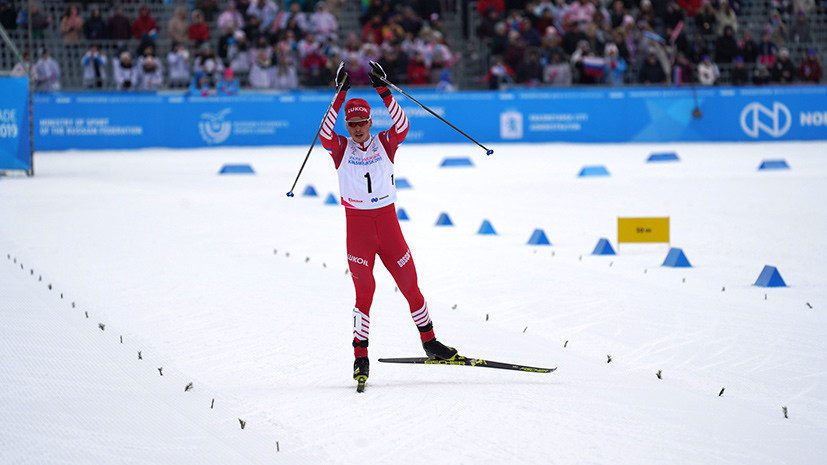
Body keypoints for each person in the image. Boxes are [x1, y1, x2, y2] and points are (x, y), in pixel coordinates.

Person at [319, 62, 458, 386]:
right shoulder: (340, 148)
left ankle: (430, 343)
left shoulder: (385, 140)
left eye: (361, 123)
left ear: (370, 121)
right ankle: (360, 358)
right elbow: (325, 134)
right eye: (351, 123)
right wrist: (340, 96)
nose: (356, 129)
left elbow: (403, 124)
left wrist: (384, 89)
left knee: (411, 284)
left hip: (388, 224)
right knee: (365, 291)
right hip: (359, 230)